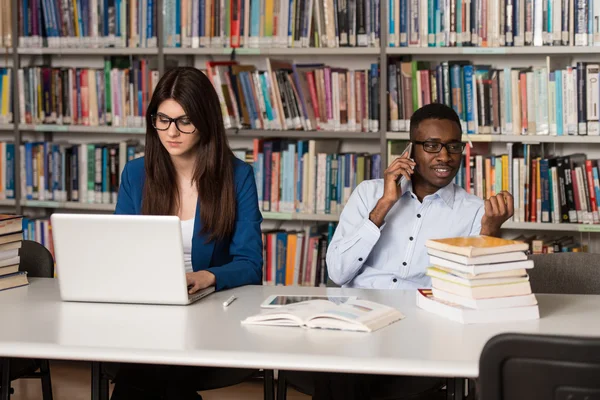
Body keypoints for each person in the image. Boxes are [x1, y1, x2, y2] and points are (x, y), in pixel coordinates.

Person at [308, 103, 514, 400]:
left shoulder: (475, 212)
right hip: (360, 322)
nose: (444, 156)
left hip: (424, 332)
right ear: (410, 150)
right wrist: (384, 205)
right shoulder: (369, 193)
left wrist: (490, 233)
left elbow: (471, 296)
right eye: (431, 145)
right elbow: (338, 272)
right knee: (344, 366)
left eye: (453, 146)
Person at [110, 66, 263, 399]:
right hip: (147, 310)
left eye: (185, 121)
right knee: (153, 365)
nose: (171, 132)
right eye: (162, 120)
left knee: (144, 372)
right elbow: (119, 251)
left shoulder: (237, 177)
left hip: (210, 312)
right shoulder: (136, 174)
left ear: (205, 121)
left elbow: (251, 264)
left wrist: (206, 277)